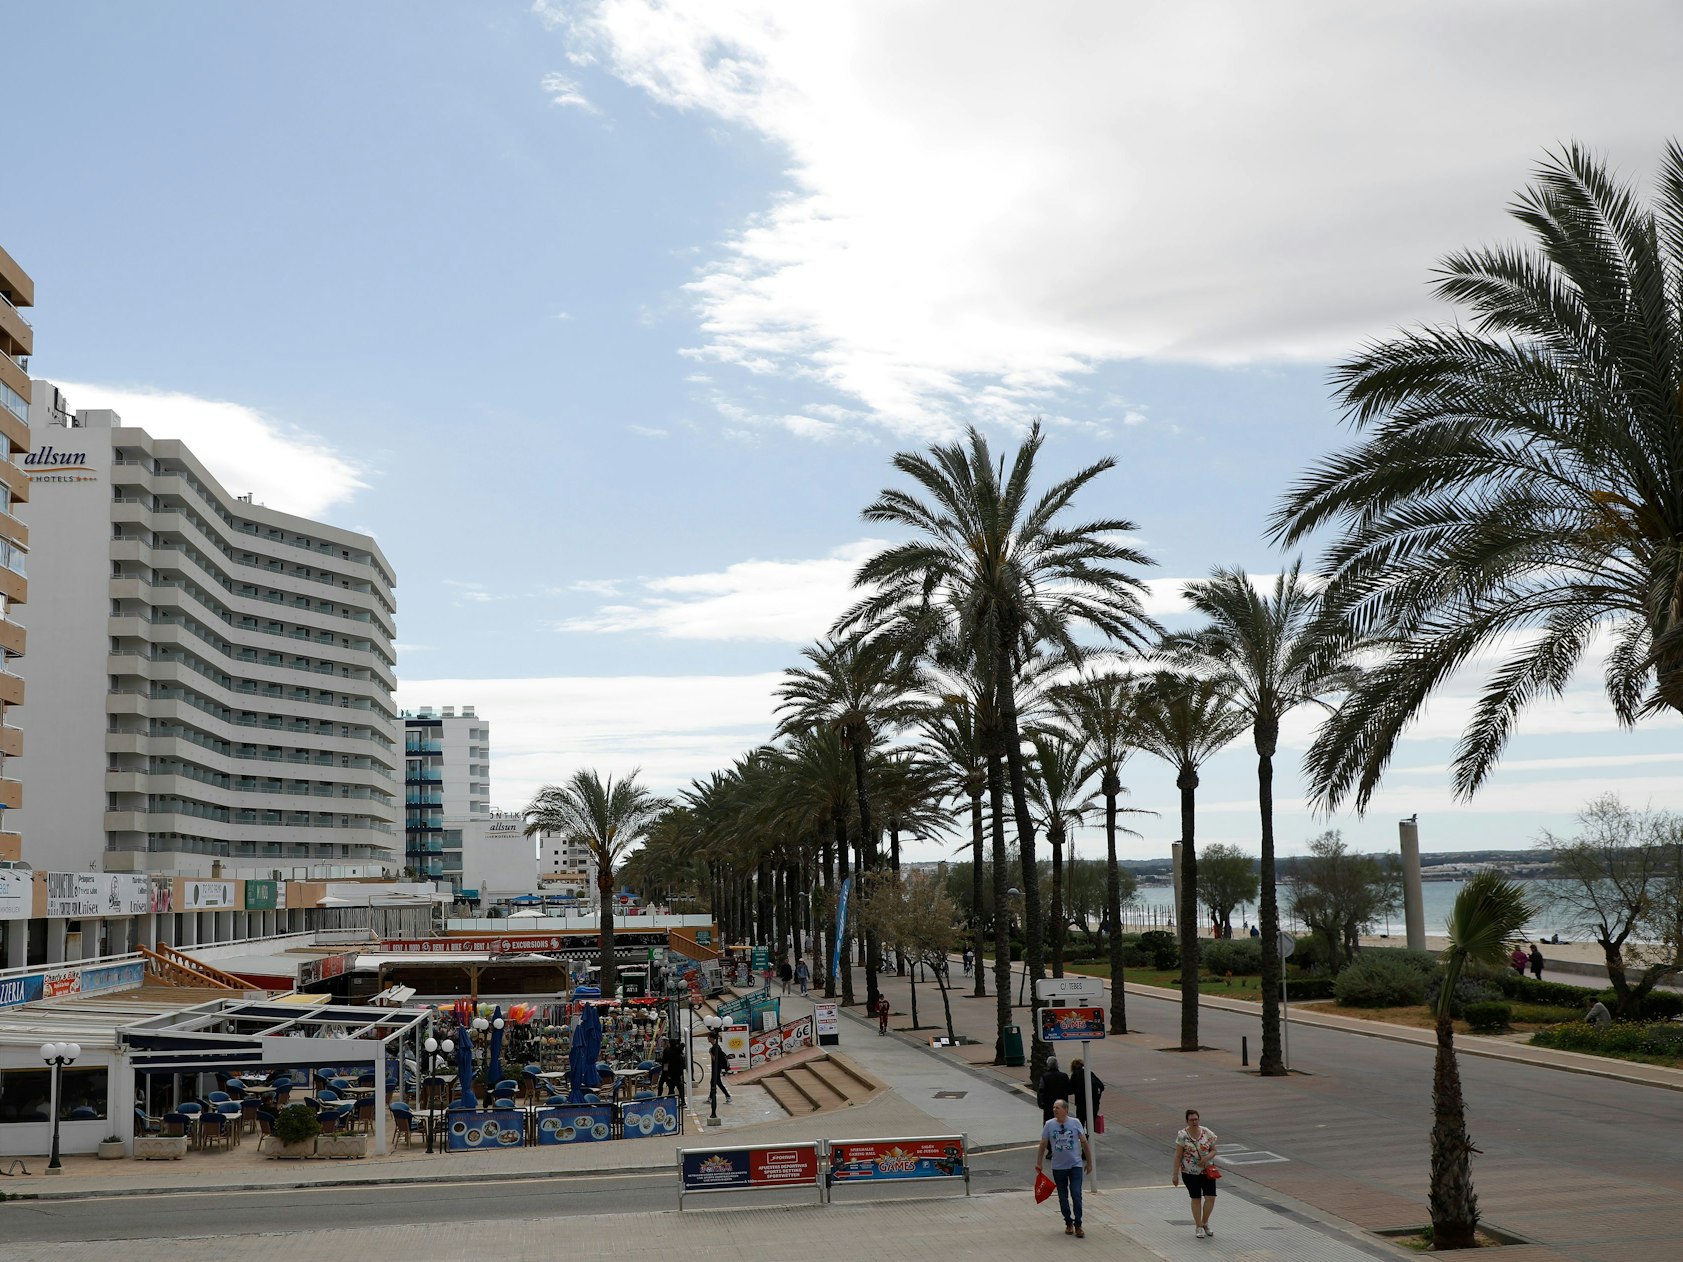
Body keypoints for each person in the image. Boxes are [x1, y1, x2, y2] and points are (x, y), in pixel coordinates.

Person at [1035, 1098, 1093, 1238]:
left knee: (1076, 1194)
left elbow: (1084, 1143)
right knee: (1063, 1196)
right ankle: (1068, 1222)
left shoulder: (1075, 1123)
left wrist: (1089, 1162)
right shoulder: (1049, 1124)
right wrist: (1039, 1163)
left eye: (1058, 1108)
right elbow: (1043, 1144)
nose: (1055, 1110)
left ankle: (1078, 1224)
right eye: (1054, 1107)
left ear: (1066, 1110)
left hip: (1075, 1165)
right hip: (1058, 1167)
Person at [1172, 1107, 1219, 1239]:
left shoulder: (1206, 1132)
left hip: (1207, 1170)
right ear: (1187, 1121)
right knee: (1196, 1198)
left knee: (1211, 1197)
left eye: (1196, 1119)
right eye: (1191, 1120)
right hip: (1189, 1172)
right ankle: (1198, 1226)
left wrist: (1206, 1158)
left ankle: (1204, 1222)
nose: (1194, 1122)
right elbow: (1178, 1155)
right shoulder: (1182, 1135)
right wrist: (1175, 1174)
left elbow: (1214, 1150)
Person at [1069, 1057, 1104, 1131]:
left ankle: (1083, 1140)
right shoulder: (1089, 1073)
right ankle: (1090, 1139)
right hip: (1094, 1103)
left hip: (1081, 1104)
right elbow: (1101, 1086)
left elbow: (1070, 1090)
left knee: (1080, 1123)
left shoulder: (1075, 1075)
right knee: (1090, 1124)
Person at [1036, 1055, 1071, 1122]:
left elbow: (1041, 1091)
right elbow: (1069, 1090)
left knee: (1049, 1123)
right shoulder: (1064, 1076)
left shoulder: (1044, 1077)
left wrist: (1041, 1103)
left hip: (1049, 1105)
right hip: (1062, 1104)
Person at [706, 1031, 732, 1108]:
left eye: (708, 1037)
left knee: (717, 1082)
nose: (707, 1038)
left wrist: (710, 1053)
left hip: (716, 1068)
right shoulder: (716, 1047)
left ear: (711, 1038)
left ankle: (728, 1096)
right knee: (714, 1082)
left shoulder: (715, 1048)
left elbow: (715, 1059)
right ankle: (711, 1097)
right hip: (716, 1068)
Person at [657, 1036, 686, 1104]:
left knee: (670, 1087)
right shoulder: (677, 1051)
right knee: (676, 1087)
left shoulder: (668, 1051)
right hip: (677, 1073)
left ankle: (668, 1101)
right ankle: (682, 1101)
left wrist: (667, 1073)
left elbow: (665, 1062)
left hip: (670, 1072)